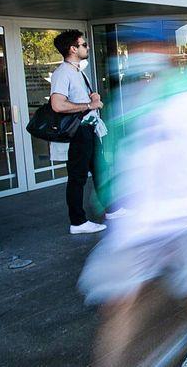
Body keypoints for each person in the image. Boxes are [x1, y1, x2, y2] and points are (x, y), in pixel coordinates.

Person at [79, 40, 187, 367]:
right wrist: (112, 197)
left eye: (149, 50)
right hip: (141, 220)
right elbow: (119, 155)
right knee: (119, 299)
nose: (141, 58)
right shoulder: (129, 101)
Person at [49, 29, 120, 234]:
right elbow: (57, 105)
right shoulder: (63, 73)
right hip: (78, 131)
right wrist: (89, 105)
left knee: (100, 170)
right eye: (84, 44)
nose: (87, 47)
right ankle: (78, 222)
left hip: (88, 129)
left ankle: (111, 209)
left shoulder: (77, 71)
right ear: (73, 48)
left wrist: (92, 100)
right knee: (78, 176)